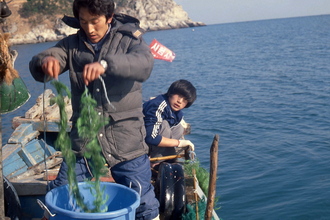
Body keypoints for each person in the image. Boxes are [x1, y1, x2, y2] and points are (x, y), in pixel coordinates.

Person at [29, 0, 159, 219]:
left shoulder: (129, 40)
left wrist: (106, 65)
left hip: (126, 140)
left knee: (143, 202)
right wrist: (46, 62)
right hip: (84, 141)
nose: (89, 29)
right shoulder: (72, 44)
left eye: (95, 21)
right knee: (60, 193)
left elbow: (143, 63)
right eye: (83, 21)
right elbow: (47, 57)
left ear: (109, 17)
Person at [143, 79, 197, 162]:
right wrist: (179, 143)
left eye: (185, 100)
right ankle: (155, 162)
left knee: (179, 128)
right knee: (164, 125)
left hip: (154, 145)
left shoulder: (177, 113)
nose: (180, 101)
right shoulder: (158, 105)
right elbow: (150, 137)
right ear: (171, 92)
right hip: (141, 143)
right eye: (179, 96)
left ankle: (165, 158)